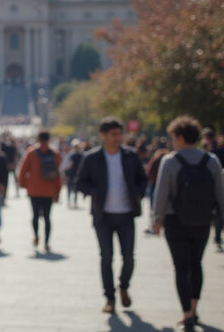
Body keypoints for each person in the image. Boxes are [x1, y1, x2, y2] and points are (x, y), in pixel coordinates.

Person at [153, 116, 224, 331]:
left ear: (180, 137)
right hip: (203, 220)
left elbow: (161, 194)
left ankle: (186, 313)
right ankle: (195, 307)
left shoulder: (170, 161)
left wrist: (157, 219)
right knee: (196, 264)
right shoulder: (211, 160)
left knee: (181, 267)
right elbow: (221, 192)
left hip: (175, 220)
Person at [74, 117, 148, 314]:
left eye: (119, 134)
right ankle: (109, 297)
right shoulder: (92, 158)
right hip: (103, 216)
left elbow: (143, 179)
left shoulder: (130, 156)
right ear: (103, 136)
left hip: (126, 215)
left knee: (129, 258)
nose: (118, 138)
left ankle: (123, 285)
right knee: (106, 258)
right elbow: (80, 182)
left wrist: (137, 194)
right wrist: (94, 192)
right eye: (113, 135)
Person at [19, 130, 61, 252]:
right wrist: (57, 190)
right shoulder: (54, 153)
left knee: (35, 215)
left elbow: (23, 170)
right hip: (49, 190)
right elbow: (58, 174)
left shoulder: (32, 153)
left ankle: (36, 236)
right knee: (47, 217)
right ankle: (47, 242)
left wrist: (24, 184)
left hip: (34, 190)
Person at [201, 128, 224, 252]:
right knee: (220, 213)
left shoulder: (215, 153)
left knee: (220, 213)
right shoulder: (211, 152)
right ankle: (218, 237)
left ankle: (219, 236)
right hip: (223, 186)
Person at [60, 139, 84, 209]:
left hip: (71, 174)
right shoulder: (81, 155)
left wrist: (65, 171)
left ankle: (69, 201)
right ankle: (75, 202)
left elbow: (69, 165)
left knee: (69, 188)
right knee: (75, 189)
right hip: (78, 174)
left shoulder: (72, 155)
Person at [0, 133, 20, 198]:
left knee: (7, 180)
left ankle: (5, 194)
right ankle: (15, 192)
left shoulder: (4, 146)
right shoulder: (11, 146)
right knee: (11, 180)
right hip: (11, 164)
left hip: (8, 164)